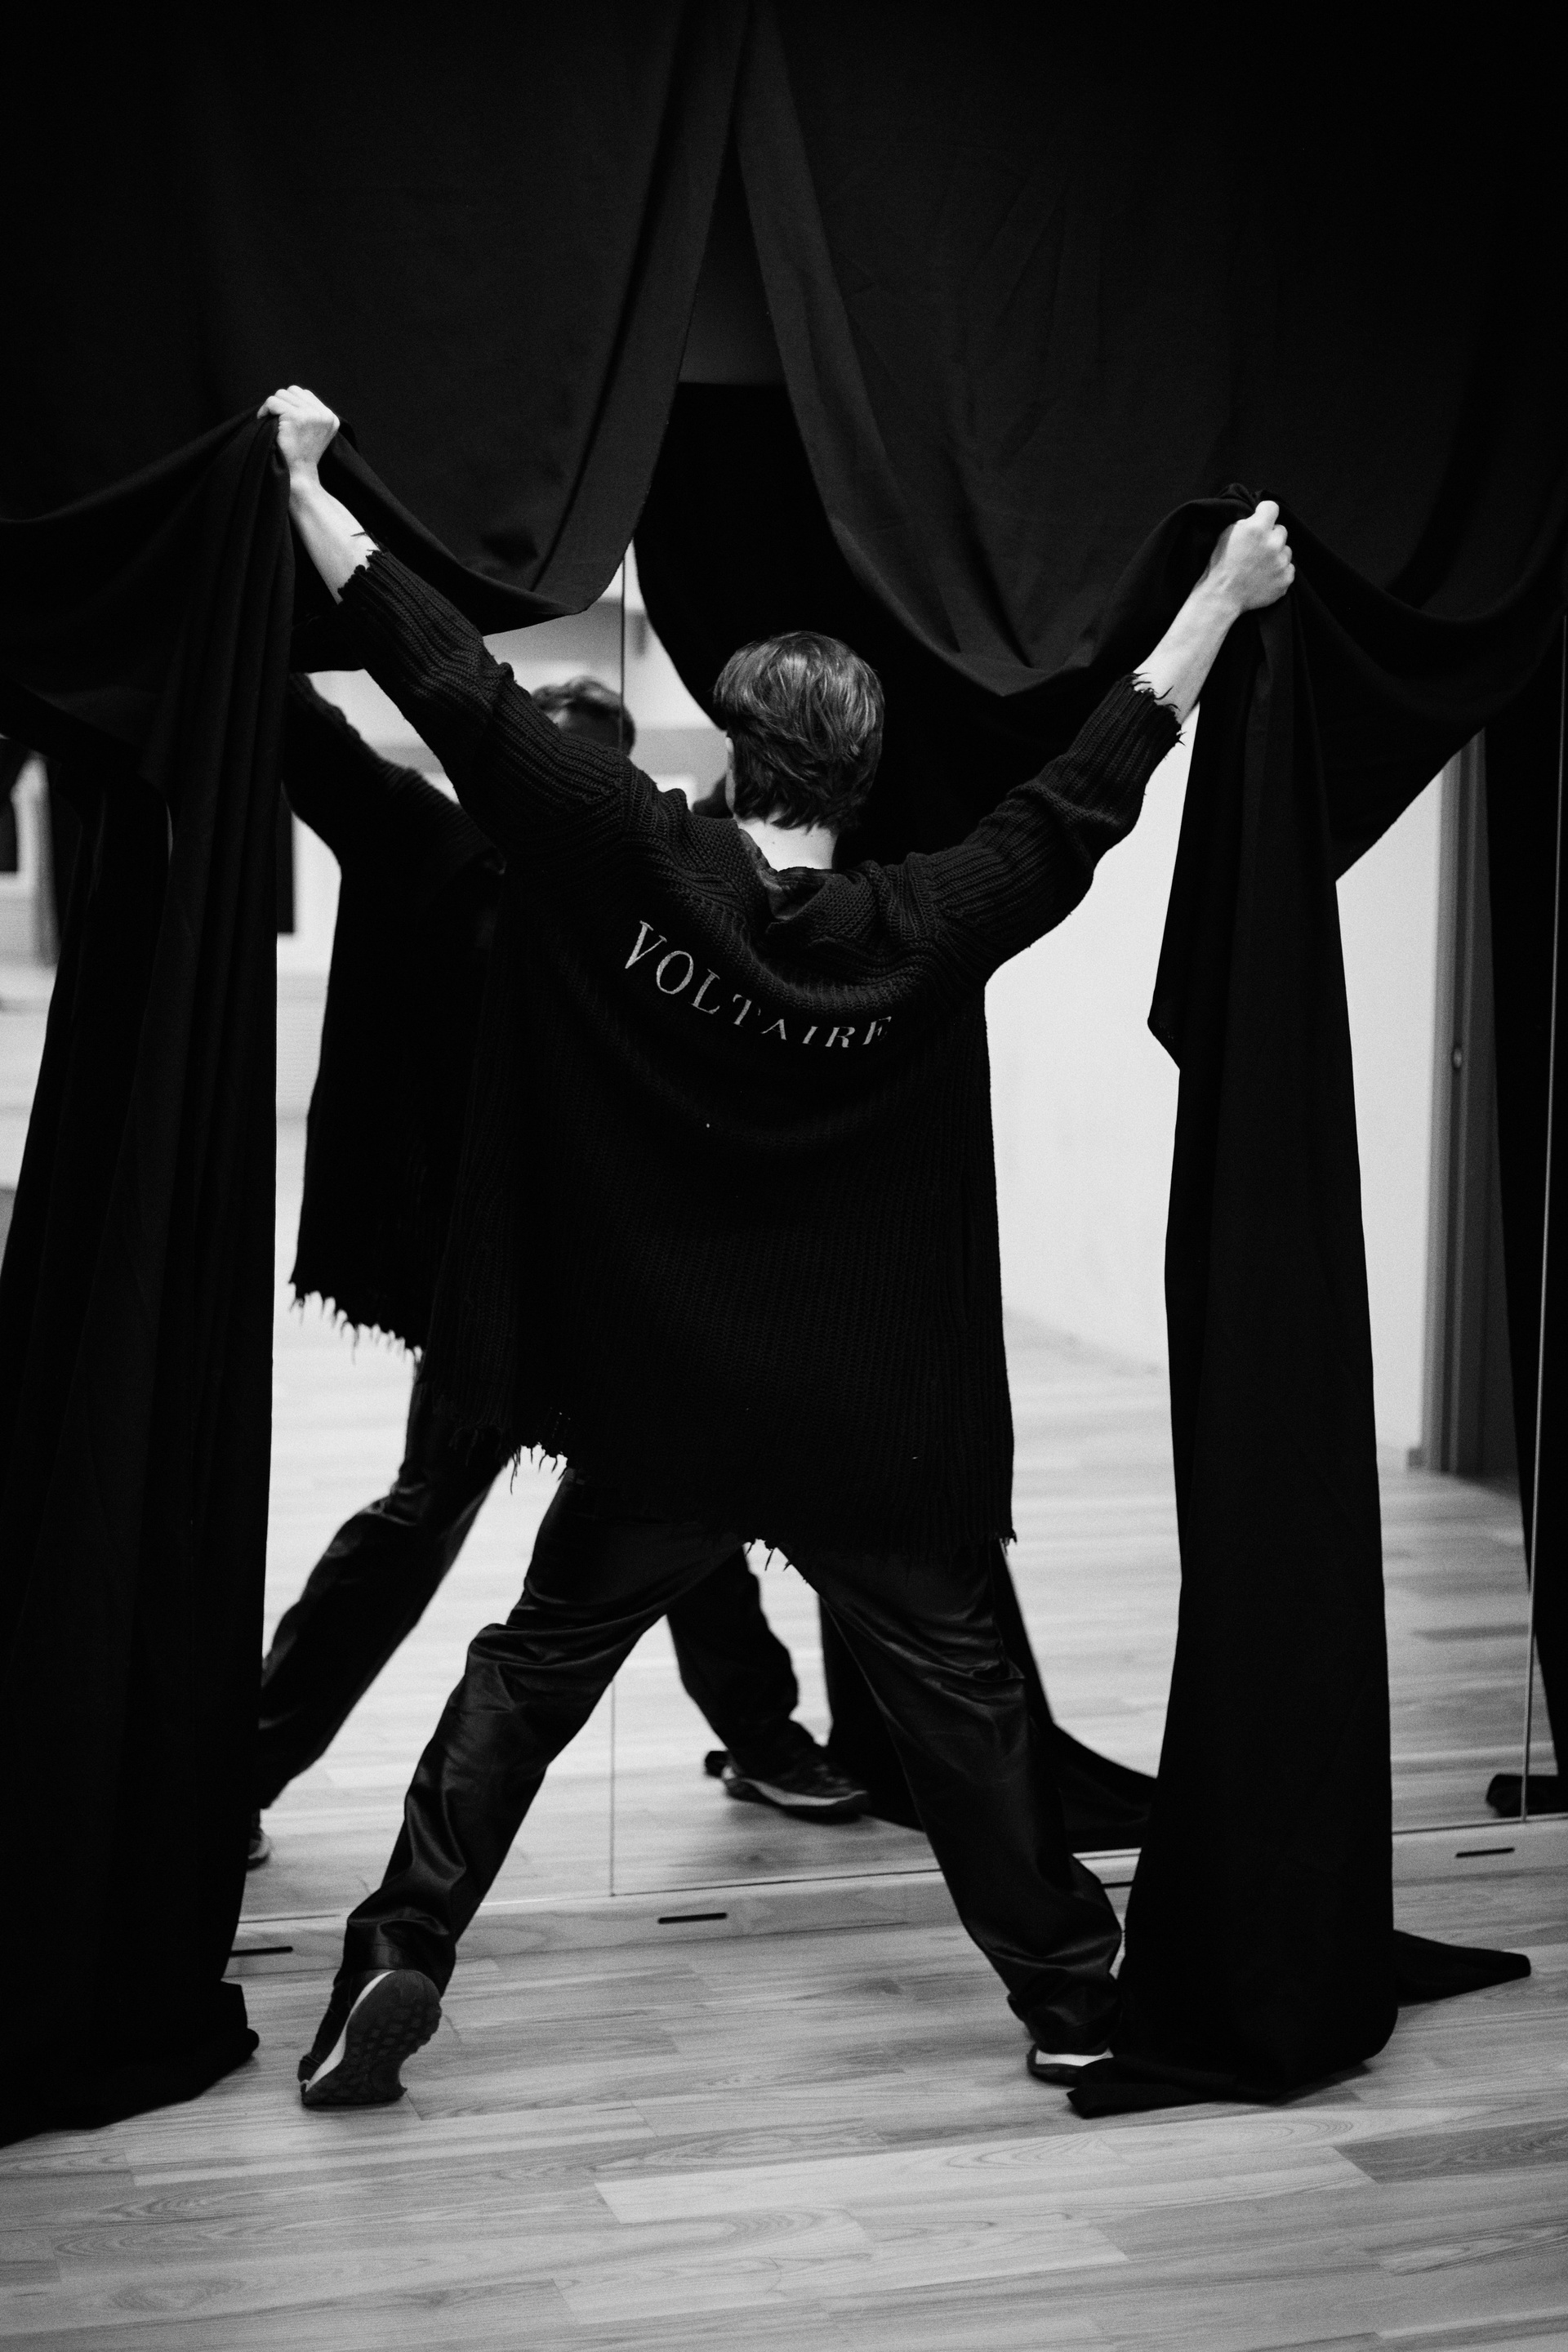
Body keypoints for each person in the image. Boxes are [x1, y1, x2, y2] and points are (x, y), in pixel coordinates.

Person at [261, 383, 1294, 2110]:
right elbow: (1091, 786)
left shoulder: (632, 862)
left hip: (662, 1406)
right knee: (962, 1695)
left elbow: (450, 687)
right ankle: (1069, 1995)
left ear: (737, 749)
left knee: (532, 1666)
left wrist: (305, 486)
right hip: (865, 1424)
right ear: (864, 775)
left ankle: (399, 1943)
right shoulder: (928, 920)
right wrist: (1221, 597)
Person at [254, 675, 866, 1852]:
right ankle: (248, 1762)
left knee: (674, 1501)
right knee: (429, 1513)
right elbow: (317, 746)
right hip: (494, 1281)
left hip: (623, 1273)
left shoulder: (656, 882)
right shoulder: (444, 851)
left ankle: (761, 1734)